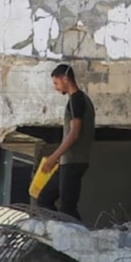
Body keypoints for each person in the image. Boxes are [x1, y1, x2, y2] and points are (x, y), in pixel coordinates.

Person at [38, 64, 95, 220]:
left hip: (73, 161)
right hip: (69, 161)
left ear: (65, 78)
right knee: (45, 199)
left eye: (56, 83)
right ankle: (58, 233)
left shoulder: (76, 100)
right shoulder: (81, 100)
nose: (56, 88)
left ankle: (77, 238)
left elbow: (74, 133)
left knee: (67, 207)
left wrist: (53, 157)